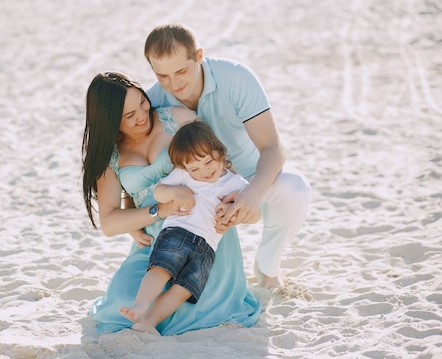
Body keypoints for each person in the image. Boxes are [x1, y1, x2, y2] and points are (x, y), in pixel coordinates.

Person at [82, 72, 261, 336]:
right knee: (122, 304)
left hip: (203, 230)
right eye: (129, 116)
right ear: (109, 122)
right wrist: (154, 211)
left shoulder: (176, 118)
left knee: (190, 301)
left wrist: (239, 202)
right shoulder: (110, 156)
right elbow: (109, 223)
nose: (142, 116)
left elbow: (219, 161)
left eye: (142, 103)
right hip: (155, 240)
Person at [143, 22, 312, 289]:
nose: (172, 84)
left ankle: (267, 269)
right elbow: (132, 164)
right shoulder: (153, 100)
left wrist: (252, 194)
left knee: (294, 188)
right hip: (195, 193)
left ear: (199, 56)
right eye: (162, 75)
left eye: (182, 71)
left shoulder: (235, 76)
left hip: (249, 176)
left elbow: (273, 147)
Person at [120, 120, 250, 335]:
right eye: (195, 168)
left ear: (219, 151)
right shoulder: (184, 175)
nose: (204, 171)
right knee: (161, 268)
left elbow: (251, 208)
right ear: (186, 167)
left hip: (207, 248)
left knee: (183, 290)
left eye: (208, 162)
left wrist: (234, 208)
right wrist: (177, 192)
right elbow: (159, 192)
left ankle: (148, 322)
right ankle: (140, 305)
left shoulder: (236, 182)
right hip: (179, 232)